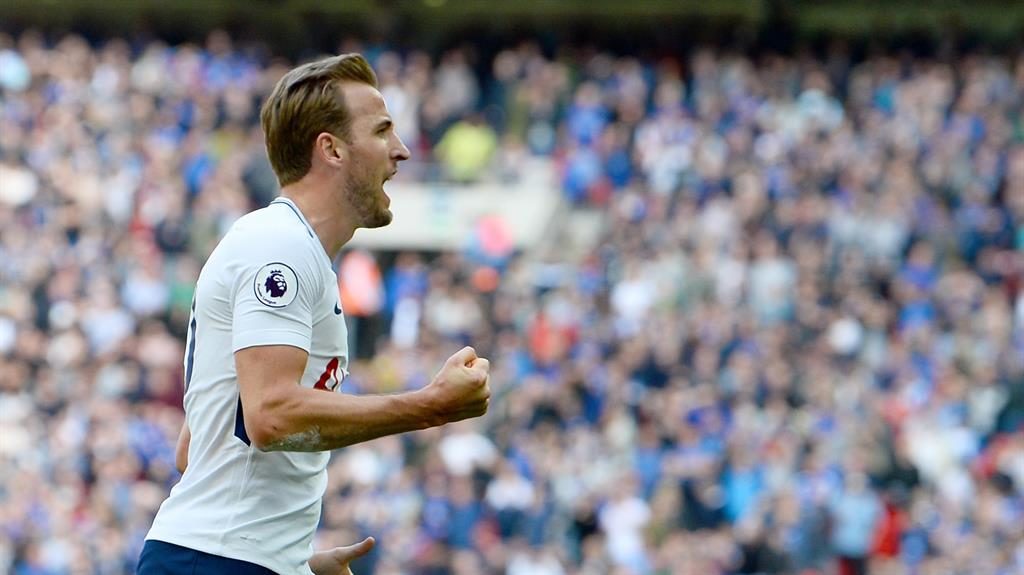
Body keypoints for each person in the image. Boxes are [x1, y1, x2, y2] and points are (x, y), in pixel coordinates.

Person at [136, 53, 493, 575]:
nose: (403, 151)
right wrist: (428, 407)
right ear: (331, 149)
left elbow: (197, 452)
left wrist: (287, 562)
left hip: (226, 558)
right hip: (212, 561)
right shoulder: (279, 247)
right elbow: (272, 415)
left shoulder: (295, 250)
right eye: (382, 131)